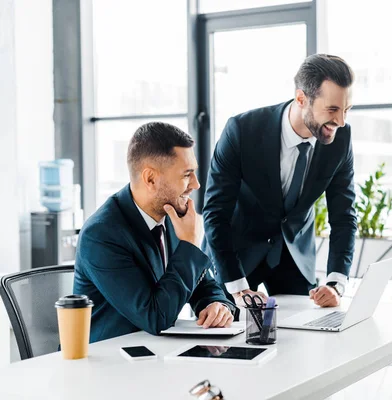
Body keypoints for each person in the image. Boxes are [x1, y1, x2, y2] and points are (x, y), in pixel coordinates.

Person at [202, 54, 357, 309]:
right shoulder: (242, 130)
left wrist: (335, 282)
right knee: (228, 339)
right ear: (301, 99)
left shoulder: (341, 137)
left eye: (346, 110)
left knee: (305, 338)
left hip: (293, 256)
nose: (340, 121)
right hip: (235, 256)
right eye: (332, 110)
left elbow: (344, 216)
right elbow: (215, 213)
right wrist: (238, 287)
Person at [74, 122, 236, 343]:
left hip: (156, 354)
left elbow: (203, 283)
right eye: (187, 175)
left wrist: (217, 305)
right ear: (150, 179)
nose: (196, 185)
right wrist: (189, 244)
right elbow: (155, 317)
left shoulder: (171, 216)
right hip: (110, 362)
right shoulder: (101, 235)